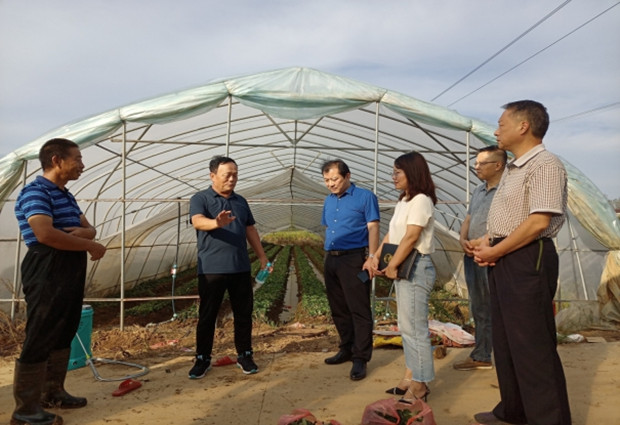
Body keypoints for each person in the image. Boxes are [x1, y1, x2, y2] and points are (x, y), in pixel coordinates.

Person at [473, 101, 571, 425]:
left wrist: (496, 251)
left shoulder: (545, 164)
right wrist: (489, 240)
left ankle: (548, 419)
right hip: (506, 254)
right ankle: (514, 410)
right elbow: (512, 218)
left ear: (523, 126)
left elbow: (538, 222)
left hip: (528, 257)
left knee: (532, 345)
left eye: (501, 124)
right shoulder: (515, 168)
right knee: (506, 341)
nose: (496, 131)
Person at [12, 138, 107, 425]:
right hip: (47, 265)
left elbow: (89, 228)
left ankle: (52, 393)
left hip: (69, 265)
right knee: (41, 333)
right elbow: (45, 234)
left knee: (64, 329)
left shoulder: (66, 195)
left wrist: (83, 235)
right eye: (77, 159)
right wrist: (88, 243)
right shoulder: (35, 192)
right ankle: (25, 410)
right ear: (56, 160)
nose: (82, 165)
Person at [188, 155, 269, 379]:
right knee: (208, 315)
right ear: (212, 176)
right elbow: (197, 221)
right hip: (211, 269)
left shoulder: (241, 201)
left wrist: (262, 257)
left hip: (240, 267)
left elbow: (250, 229)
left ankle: (245, 355)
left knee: (243, 314)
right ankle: (202, 358)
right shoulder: (201, 198)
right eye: (227, 175)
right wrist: (216, 222)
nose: (232, 179)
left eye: (235, 175)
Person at [369, 151, 436, 402]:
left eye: (398, 172)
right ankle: (410, 377)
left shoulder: (421, 200)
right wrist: (375, 256)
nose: (393, 177)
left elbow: (411, 237)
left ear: (413, 172)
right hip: (405, 264)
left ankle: (420, 385)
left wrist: (393, 265)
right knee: (407, 327)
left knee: (415, 329)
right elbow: (392, 235)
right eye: (393, 172)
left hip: (415, 266)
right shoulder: (404, 201)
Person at [321, 159, 380, 381]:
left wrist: (371, 257)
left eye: (334, 179)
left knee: (359, 309)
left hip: (354, 259)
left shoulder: (365, 197)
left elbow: (373, 227)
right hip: (332, 258)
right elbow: (329, 227)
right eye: (327, 180)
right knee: (338, 308)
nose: (331, 184)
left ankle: (360, 358)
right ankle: (346, 348)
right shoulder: (328, 200)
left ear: (347, 176)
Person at [453, 146, 507, 371]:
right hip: (472, 255)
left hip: (492, 255)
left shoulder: (506, 190)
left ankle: (503, 355)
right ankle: (482, 354)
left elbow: (506, 224)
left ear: (498, 165)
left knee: (497, 306)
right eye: (475, 163)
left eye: (481, 163)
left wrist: (484, 242)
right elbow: (468, 218)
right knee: (479, 306)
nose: (476, 167)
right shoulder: (478, 191)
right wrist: (462, 239)